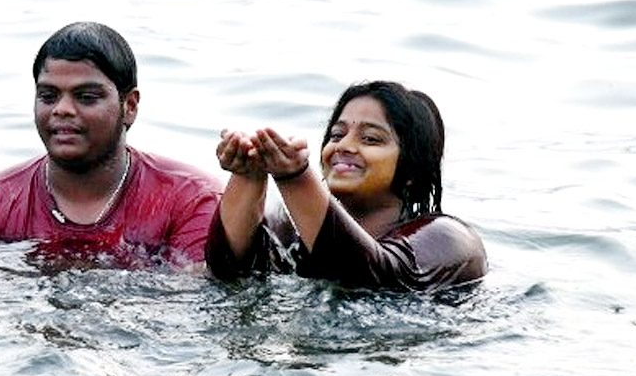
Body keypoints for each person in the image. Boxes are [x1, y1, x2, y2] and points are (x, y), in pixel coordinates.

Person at [0, 22, 221, 269]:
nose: (62, 109)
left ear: (130, 106)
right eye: (48, 95)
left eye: (86, 97)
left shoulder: (190, 201)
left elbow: (196, 296)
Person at [207, 80, 487, 291]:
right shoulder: (290, 229)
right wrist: (248, 173)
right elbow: (230, 273)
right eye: (337, 134)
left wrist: (295, 176)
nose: (344, 146)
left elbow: (369, 276)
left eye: (371, 139)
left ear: (412, 169)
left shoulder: (449, 241)